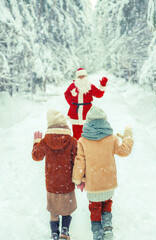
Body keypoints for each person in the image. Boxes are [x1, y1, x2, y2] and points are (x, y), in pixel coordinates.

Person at [72, 106, 134, 240]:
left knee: (94, 207)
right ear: (105, 121)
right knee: (107, 202)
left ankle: (96, 232)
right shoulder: (111, 139)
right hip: (108, 181)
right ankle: (107, 227)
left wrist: (77, 179)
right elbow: (124, 151)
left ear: (88, 121)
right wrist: (128, 137)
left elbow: (79, 161)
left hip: (93, 184)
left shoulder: (83, 140)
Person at [32, 109, 77, 240]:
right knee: (66, 208)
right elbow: (76, 160)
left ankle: (54, 234)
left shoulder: (45, 141)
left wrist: (36, 142)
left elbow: (36, 156)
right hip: (67, 182)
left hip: (52, 183)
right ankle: (65, 231)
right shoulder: (72, 141)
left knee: (53, 209)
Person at [64, 68, 108, 140]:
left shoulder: (90, 86)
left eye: (83, 76)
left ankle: (87, 148)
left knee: (88, 132)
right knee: (76, 134)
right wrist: (72, 101)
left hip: (87, 112)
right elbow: (66, 94)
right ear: (77, 77)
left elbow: (99, 94)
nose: (81, 78)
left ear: (86, 76)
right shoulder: (73, 86)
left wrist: (102, 86)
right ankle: (77, 148)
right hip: (75, 112)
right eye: (79, 76)